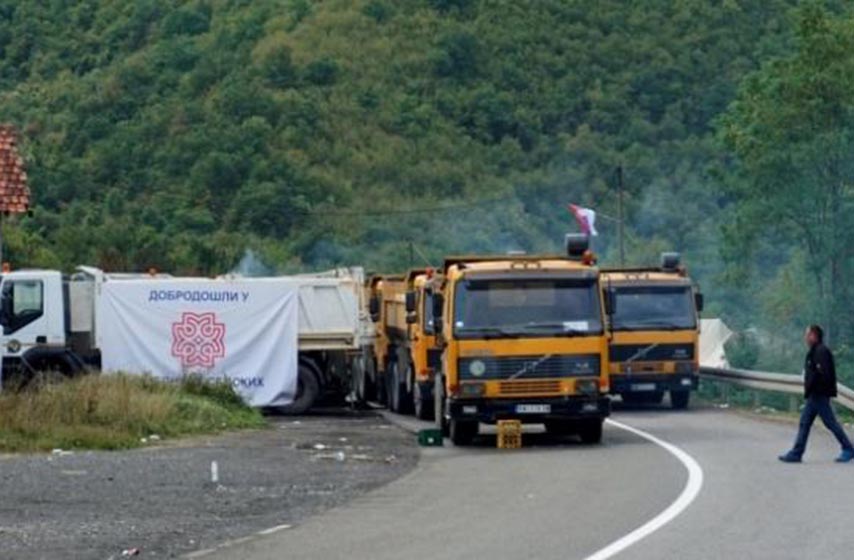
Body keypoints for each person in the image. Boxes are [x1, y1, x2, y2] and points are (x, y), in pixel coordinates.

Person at [779, 325, 854, 463]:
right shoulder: (814, 351)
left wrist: (816, 387)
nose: (805, 337)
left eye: (808, 334)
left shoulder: (821, 352)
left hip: (819, 394)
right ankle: (797, 453)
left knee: (830, 423)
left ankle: (848, 448)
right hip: (814, 395)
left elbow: (823, 374)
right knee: (805, 422)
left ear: (814, 336)